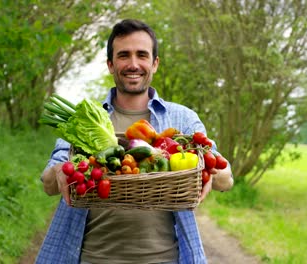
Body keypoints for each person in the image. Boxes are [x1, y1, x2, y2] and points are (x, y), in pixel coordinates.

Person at [36, 19, 233, 264]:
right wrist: (58, 171)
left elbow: (227, 179)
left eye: (142, 55)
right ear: (110, 64)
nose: (133, 64)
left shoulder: (182, 118)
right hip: (92, 258)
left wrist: (208, 173)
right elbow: (48, 183)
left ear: (155, 63)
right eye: (123, 55)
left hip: (165, 259)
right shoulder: (86, 118)